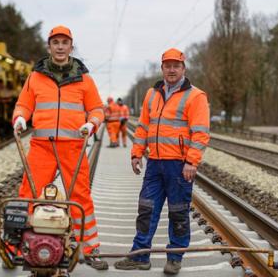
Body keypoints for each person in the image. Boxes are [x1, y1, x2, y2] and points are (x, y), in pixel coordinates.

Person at [12, 25, 108, 270]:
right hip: (42, 146)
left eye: (65, 42)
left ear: (71, 47)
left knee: (80, 197)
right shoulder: (36, 76)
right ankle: (16, 248)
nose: (60, 46)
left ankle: (90, 248)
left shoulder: (84, 78)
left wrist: (91, 124)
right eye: (56, 42)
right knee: (27, 195)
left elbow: (97, 109)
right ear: (49, 47)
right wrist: (20, 117)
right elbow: (23, 104)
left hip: (73, 147)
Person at [114, 48, 210, 274]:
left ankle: (175, 258)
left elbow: (201, 133)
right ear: (162, 68)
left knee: (178, 212)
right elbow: (143, 127)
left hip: (179, 165)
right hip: (155, 162)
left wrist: (192, 161)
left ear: (184, 68)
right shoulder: (152, 93)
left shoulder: (196, 96)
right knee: (146, 209)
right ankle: (140, 256)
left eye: (176, 65)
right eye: (167, 65)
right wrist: (137, 153)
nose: (172, 69)